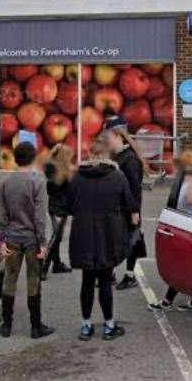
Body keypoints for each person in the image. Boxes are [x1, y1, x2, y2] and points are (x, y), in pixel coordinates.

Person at [67, 137, 132, 340]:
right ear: (107, 155)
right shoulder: (117, 177)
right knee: (105, 281)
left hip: (83, 234)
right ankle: (109, 325)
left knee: (87, 281)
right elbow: (128, 203)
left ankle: (86, 326)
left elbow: (69, 205)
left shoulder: (78, 177)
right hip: (108, 233)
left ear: (90, 154)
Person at [0, 140, 54, 339]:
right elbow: (39, 216)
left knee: (9, 280)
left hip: (11, 238)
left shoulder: (4, 183)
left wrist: (1, 240)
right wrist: (43, 243)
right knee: (33, 281)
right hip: (31, 240)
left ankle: (7, 324)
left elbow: (1, 216)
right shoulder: (38, 182)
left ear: (15, 159)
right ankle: (36, 326)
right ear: (33, 158)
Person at [150, 149, 192, 312]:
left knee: (179, 266)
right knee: (186, 267)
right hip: (189, 227)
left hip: (188, 228)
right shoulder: (191, 179)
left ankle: (168, 301)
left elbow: (191, 199)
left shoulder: (191, 181)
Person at [104, 117, 146, 290]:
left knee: (131, 241)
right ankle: (111, 274)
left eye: (108, 137)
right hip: (117, 207)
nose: (106, 141)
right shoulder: (119, 156)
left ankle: (129, 276)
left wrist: (135, 211)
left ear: (117, 136)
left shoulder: (129, 159)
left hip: (128, 209)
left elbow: (135, 187)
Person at [42, 143, 74, 279]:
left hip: (58, 207)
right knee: (55, 238)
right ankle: (43, 268)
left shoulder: (52, 167)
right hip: (58, 208)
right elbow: (58, 190)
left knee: (57, 237)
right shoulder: (58, 171)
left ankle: (57, 264)